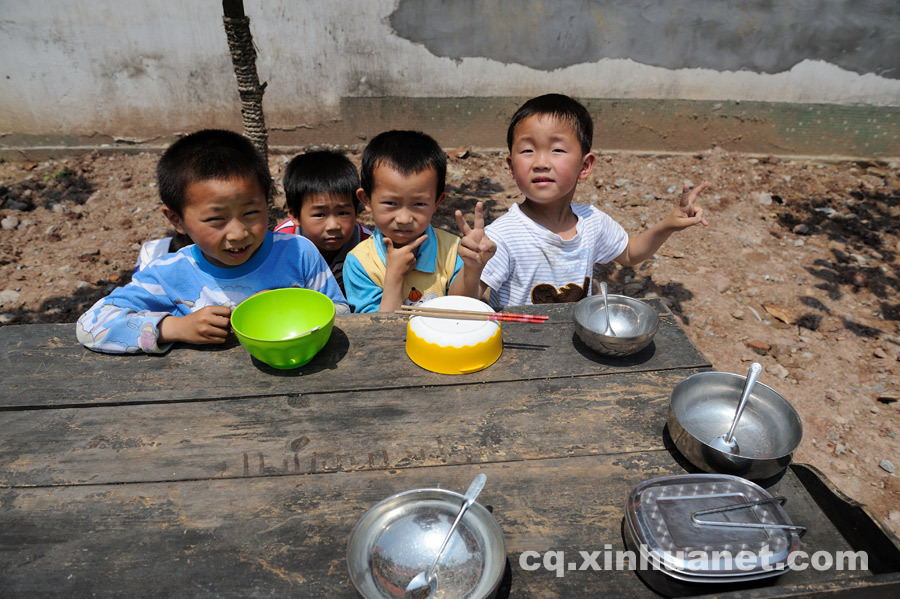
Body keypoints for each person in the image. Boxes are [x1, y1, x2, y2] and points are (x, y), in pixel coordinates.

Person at [76, 129, 348, 354]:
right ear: (177, 219)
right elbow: (91, 325)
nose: (238, 233)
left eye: (251, 213)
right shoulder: (169, 273)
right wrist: (174, 327)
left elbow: (341, 313)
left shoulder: (297, 251)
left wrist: (291, 306)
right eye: (216, 220)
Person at [480, 93, 709, 307]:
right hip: (519, 344)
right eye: (528, 150)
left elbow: (629, 253)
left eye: (557, 150)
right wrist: (472, 266)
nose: (541, 162)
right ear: (511, 166)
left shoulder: (592, 221)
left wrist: (667, 225)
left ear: (585, 166)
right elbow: (468, 301)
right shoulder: (501, 236)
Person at [343, 130, 496, 313]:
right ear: (366, 200)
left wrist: (472, 268)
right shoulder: (360, 262)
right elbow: (377, 331)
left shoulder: (452, 249)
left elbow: (461, 310)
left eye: (418, 204)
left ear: (437, 202)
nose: (404, 219)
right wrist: (394, 277)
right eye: (391, 203)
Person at [272, 150, 370, 292]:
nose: (333, 226)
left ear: (356, 211)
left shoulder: (366, 243)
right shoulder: (284, 241)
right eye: (319, 215)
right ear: (294, 216)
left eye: (343, 213)